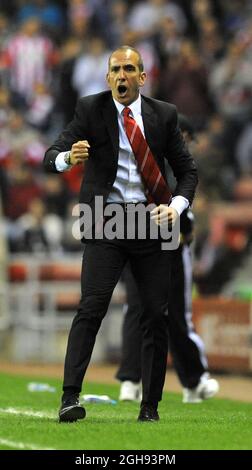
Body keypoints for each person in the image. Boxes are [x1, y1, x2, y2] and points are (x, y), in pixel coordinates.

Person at [43, 46, 198, 423]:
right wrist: (68, 159)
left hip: (152, 220)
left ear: (142, 77)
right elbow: (51, 155)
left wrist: (175, 207)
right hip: (105, 218)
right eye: (115, 70)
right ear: (108, 77)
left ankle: (150, 408)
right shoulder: (90, 109)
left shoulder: (164, 115)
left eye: (129, 69)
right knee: (91, 307)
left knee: (155, 315)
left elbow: (188, 172)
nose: (122, 76)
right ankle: (69, 398)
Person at [116, 115, 219, 403]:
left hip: (173, 243)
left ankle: (193, 381)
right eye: (183, 136)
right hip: (141, 240)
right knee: (137, 308)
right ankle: (131, 378)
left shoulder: (183, 165)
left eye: (187, 138)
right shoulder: (148, 155)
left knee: (175, 315)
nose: (186, 142)